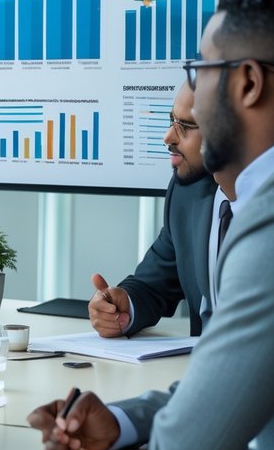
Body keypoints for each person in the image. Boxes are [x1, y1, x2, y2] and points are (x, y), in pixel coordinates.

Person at [28, 0, 274, 450]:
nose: (190, 93)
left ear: (247, 82)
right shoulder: (212, 197)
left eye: (199, 72)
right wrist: (124, 421)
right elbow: (243, 385)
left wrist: (168, 431)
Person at [88, 83, 236, 338]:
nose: (168, 136)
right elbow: (152, 284)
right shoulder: (186, 193)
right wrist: (122, 305)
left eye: (186, 125)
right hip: (198, 368)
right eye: (171, 120)